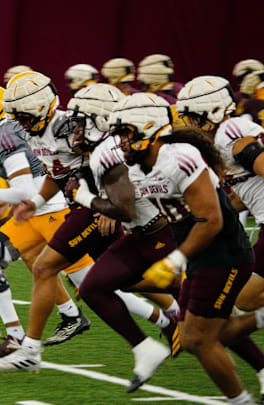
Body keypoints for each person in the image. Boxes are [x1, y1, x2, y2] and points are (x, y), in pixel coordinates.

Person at [115, 93, 261, 404]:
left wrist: (175, 260)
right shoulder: (140, 170)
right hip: (200, 255)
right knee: (200, 336)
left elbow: (211, 220)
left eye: (125, 133)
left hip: (223, 254)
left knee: (199, 339)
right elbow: (176, 219)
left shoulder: (177, 157)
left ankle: (242, 402)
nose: (121, 142)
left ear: (147, 128)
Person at [0, 84, 93, 356]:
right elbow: (32, 174)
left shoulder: (7, 133)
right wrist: (0, 198)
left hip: (54, 210)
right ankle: (18, 336)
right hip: (35, 210)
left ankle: (167, 315)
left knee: (94, 284)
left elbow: (28, 187)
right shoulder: (4, 133)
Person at [63, 88, 180, 392]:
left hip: (166, 234)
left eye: (81, 122)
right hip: (143, 234)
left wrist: (87, 199)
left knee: (216, 322)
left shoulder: (110, 150)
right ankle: (145, 347)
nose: (75, 131)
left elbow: (125, 209)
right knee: (94, 287)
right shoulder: (107, 147)